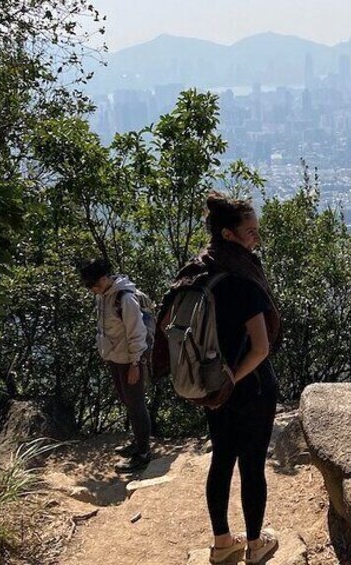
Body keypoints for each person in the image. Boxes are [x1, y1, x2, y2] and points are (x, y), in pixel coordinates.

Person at [159, 192, 280, 564]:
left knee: (222, 458)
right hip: (251, 387)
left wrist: (213, 374)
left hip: (209, 388)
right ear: (229, 234)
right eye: (250, 232)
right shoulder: (242, 280)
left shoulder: (194, 272)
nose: (256, 238)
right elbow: (260, 347)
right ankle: (256, 544)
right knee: (252, 465)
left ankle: (222, 542)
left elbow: (166, 326)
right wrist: (233, 376)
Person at [78, 258, 153, 474]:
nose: (93, 289)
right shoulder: (103, 296)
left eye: (95, 284)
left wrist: (135, 364)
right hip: (115, 358)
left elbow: (137, 333)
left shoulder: (125, 299)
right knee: (127, 401)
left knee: (136, 403)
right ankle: (138, 443)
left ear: (105, 278)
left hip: (130, 360)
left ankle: (143, 453)